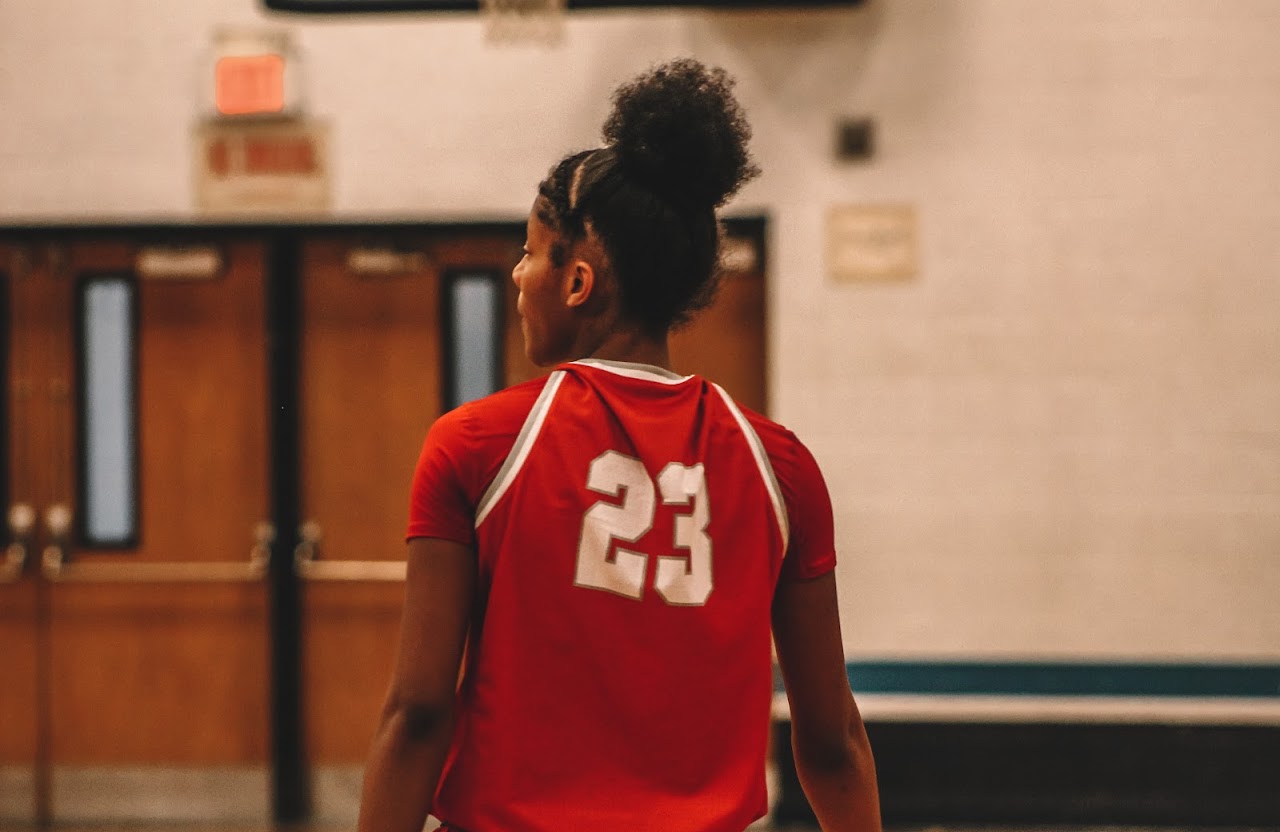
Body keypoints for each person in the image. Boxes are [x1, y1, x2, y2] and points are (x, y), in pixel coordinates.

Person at [357, 58, 880, 832]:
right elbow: (832, 740)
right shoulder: (781, 467)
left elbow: (422, 710)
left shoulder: (477, 445)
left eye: (530, 253)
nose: (516, 275)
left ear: (577, 282)